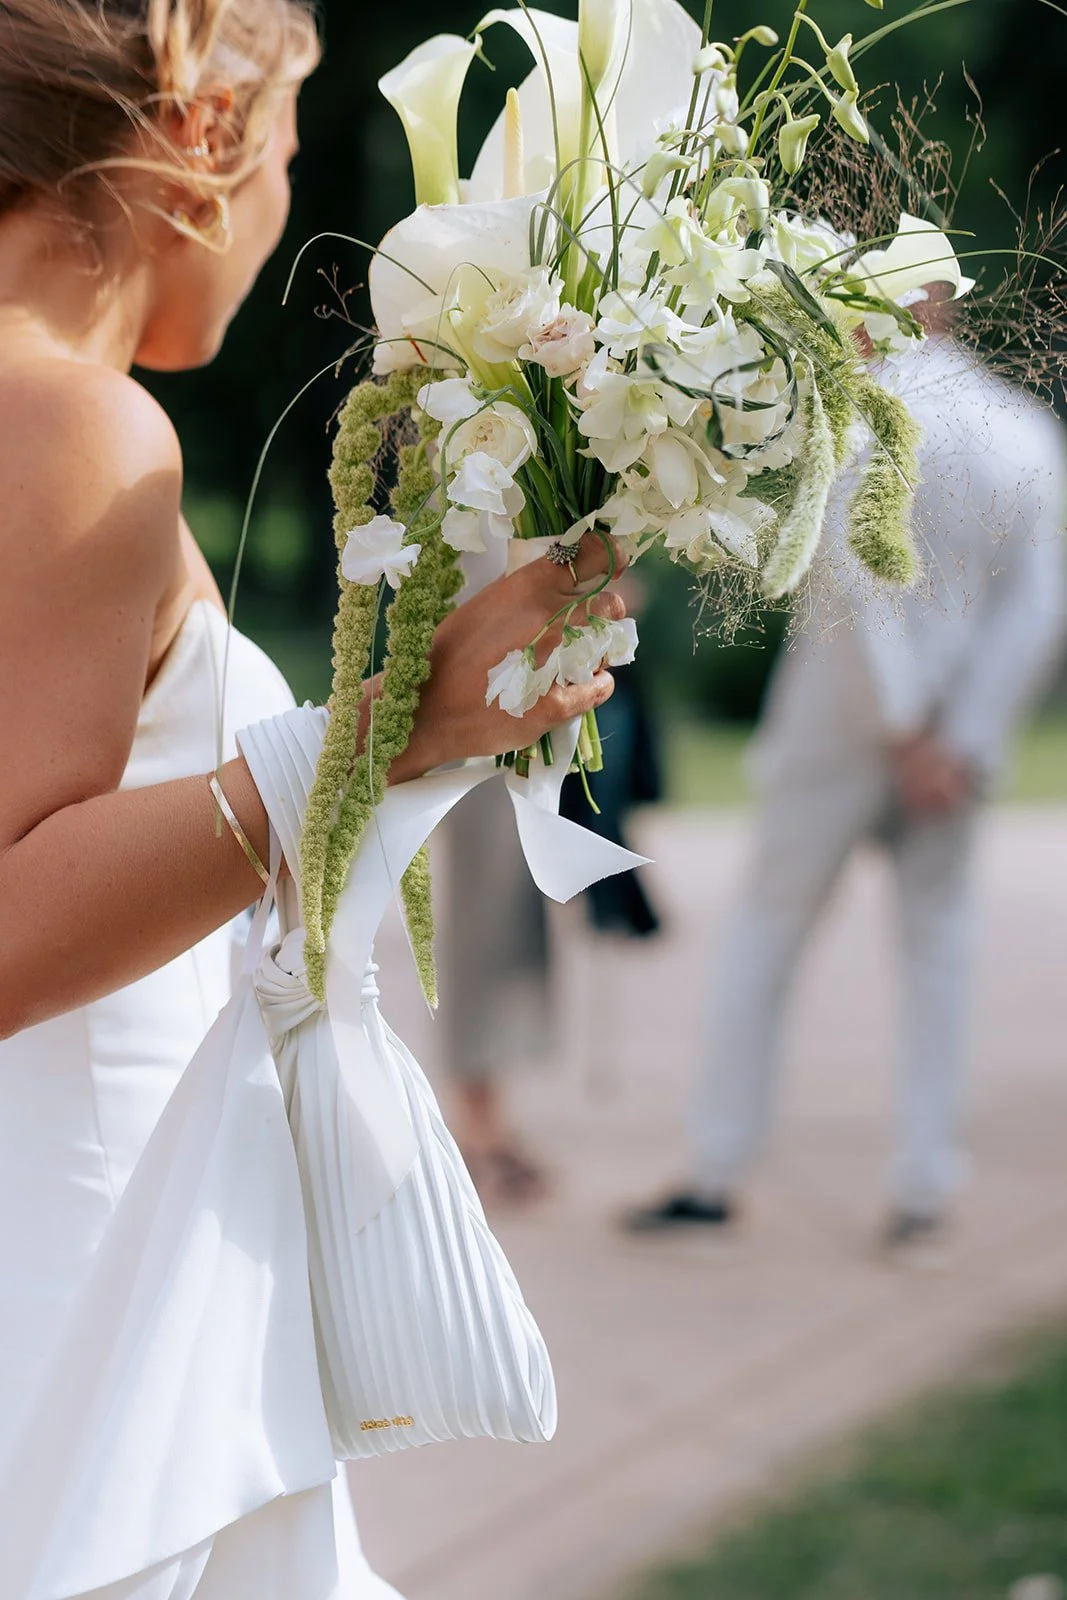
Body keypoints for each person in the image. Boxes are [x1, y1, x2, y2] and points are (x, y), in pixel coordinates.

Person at [0, 2, 627, 1594]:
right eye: (280, 147)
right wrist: (377, 736)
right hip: (84, 1286)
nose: (282, 206)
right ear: (199, 137)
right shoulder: (71, 423)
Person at [627, 309, 1067, 1249]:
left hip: (838, 728)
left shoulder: (860, 410)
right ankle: (924, 1185)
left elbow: (850, 574)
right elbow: (1035, 604)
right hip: (949, 749)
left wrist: (905, 729)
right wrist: (964, 738)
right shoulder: (1023, 428)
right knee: (938, 950)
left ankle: (715, 1168)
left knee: (766, 932)